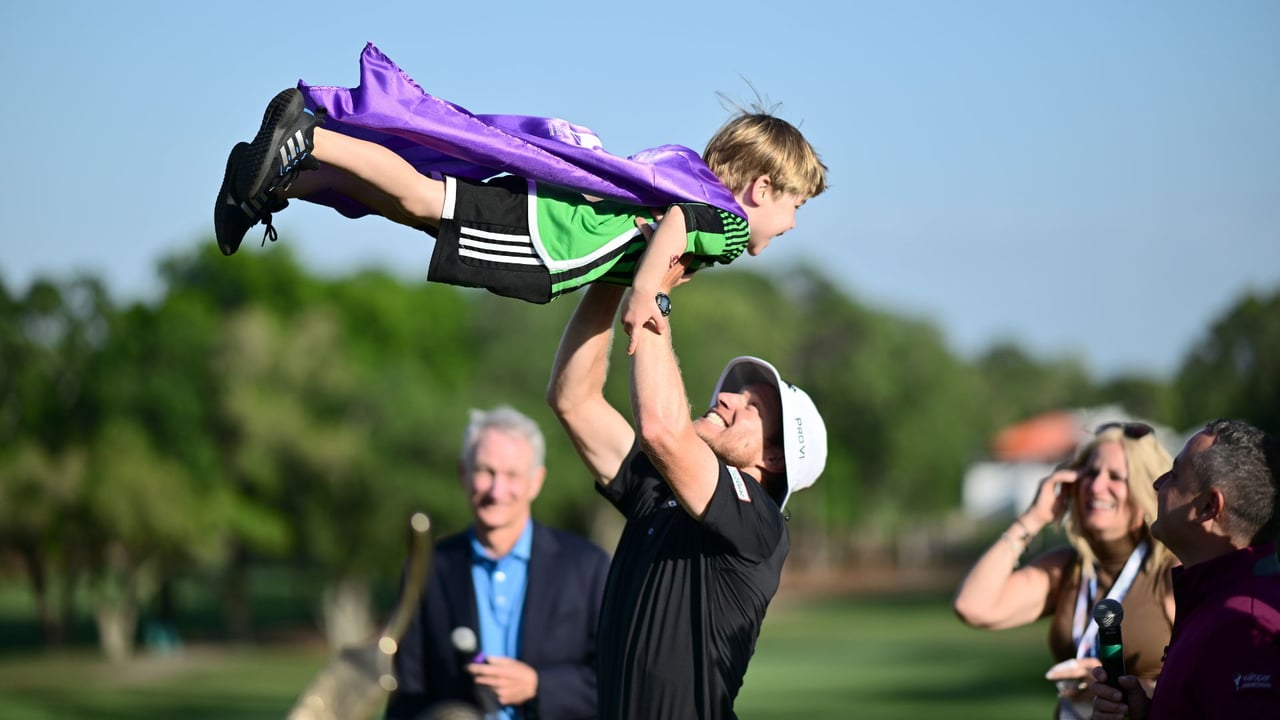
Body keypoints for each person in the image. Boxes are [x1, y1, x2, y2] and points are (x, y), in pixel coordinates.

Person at [215, 44, 826, 339]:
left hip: (545, 220)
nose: (793, 224)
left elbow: (655, 227)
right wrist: (648, 296)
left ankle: (272, 179)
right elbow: (677, 226)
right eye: (794, 206)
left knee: (407, 208)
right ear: (761, 188)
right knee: (423, 199)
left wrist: (645, 280)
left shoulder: (691, 181)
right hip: (543, 237)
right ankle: (311, 138)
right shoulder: (727, 226)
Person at [545, 282, 828, 719]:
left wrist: (653, 292)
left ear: (773, 458)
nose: (726, 397)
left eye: (753, 406)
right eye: (737, 393)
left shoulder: (760, 522)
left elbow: (662, 431)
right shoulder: (661, 492)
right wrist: (612, 276)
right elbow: (573, 400)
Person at [384, 406, 611, 720]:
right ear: (463, 474)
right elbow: (407, 692)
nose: (496, 490)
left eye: (511, 475)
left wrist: (539, 686)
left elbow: (617, 681)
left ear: (536, 481)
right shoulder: (426, 570)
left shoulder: (587, 567)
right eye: (485, 471)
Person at [952, 422, 1178, 719]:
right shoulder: (1068, 567)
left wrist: (1117, 686)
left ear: (1145, 489)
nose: (1096, 486)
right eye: (1090, 474)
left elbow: (1205, 682)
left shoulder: (1172, 571)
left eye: (1115, 477)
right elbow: (973, 606)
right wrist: (1033, 518)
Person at [1089, 418, 1280, 720]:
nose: (1158, 483)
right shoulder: (1217, 600)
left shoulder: (1244, 625)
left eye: (1175, 475)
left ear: (1208, 506)